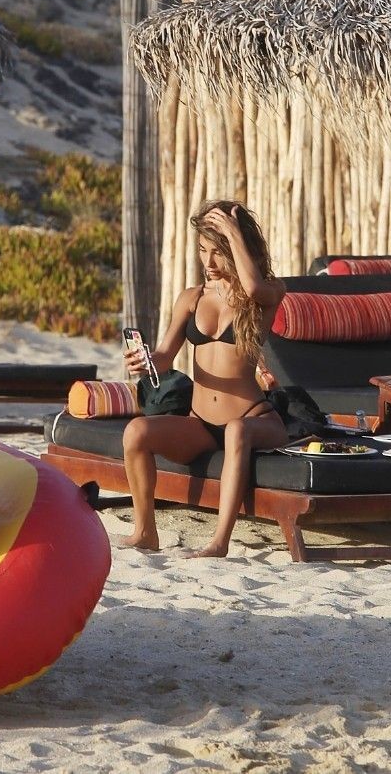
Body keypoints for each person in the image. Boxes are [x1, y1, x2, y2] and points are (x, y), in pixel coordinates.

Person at [121, 199, 288, 558]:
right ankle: (145, 532)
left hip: (253, 419)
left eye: (218, 252)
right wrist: (146, 361)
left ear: (239, 248)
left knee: (236, 431)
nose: (208, 262)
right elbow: (165, 355)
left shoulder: (268, 292)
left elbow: (253, 287)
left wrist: (233, 230)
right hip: (200, 423)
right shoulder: (192, 298)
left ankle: (219, 542)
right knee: (136, 432)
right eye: (202, 250)